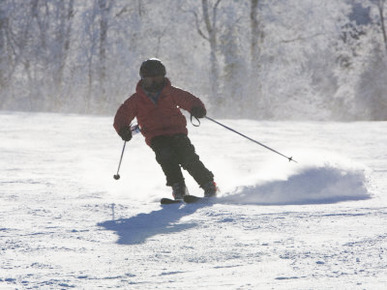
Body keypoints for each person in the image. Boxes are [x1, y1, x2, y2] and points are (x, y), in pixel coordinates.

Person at [113, 58, 217, 200]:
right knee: (166, 157)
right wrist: (123, 129)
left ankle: (208, 184)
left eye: (158, 78)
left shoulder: (171, 92)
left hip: (177, 131)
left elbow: (188, 99)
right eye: (150, 79)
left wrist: (197, 108)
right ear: (143, 79)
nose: (155, 82)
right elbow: (122, 115)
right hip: (155, 135)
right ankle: (178, 187)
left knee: (187, 156)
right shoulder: (137, 99)